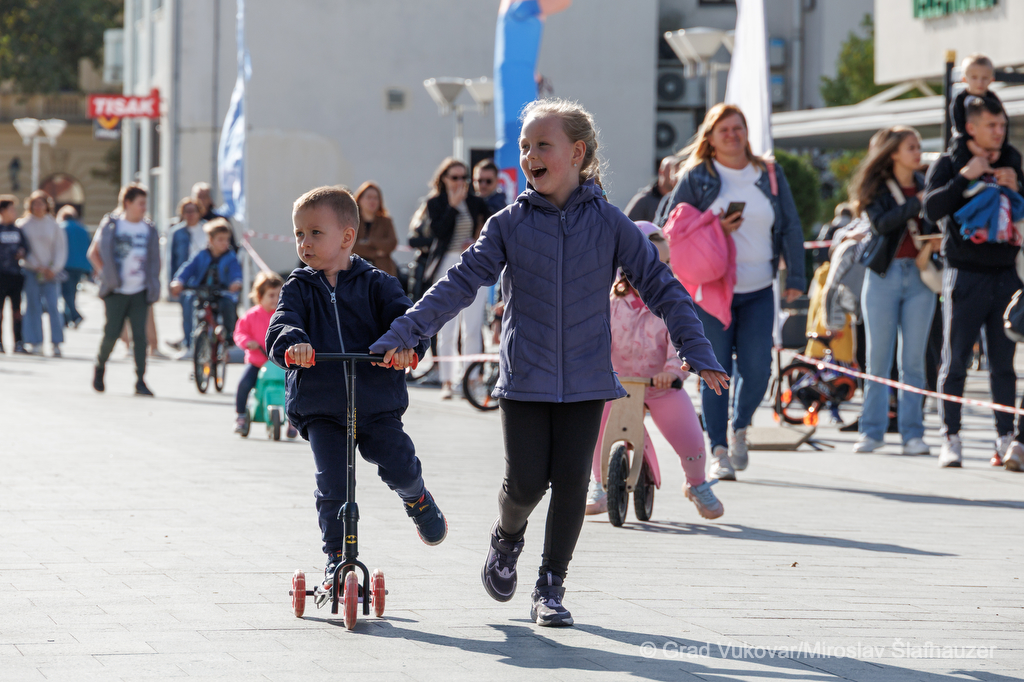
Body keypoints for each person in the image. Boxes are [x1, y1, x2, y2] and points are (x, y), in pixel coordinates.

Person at [371, 98, 728, 627]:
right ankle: (506, 537)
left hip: (588, 379)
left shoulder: (611, 223)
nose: (529, 156)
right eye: (525, 146)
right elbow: (459, 284)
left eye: (542, 145)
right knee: (524, 485)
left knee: (571, 484)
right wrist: (405, 331)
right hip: (526, 378)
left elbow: (662, 286)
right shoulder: (508, 224)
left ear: (577, 153)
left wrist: (696, 350)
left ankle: (551, 585)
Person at [265, 186, 446, 596]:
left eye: (315, 233)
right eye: (298, 234)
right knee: (332, 485)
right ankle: (335, 559)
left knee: (398, 462)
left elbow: (408, 321)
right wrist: (293, 343)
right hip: (321, 404)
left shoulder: (378, 284)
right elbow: (282, 323)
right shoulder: (298, 286)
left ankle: (416, 497)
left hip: (376, 402)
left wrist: (407, 349)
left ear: (347, 237)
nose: (304, 243)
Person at [657, 103, 805, 481]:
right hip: (710, 291)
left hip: (759, 288)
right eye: (724, 129)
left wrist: (796, 278)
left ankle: (740, 427)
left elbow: (790, 225)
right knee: (715, 370)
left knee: (758, 369)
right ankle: (719, 449)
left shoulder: (769, 173)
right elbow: (670, 227)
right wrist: (715, 228)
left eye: (738, 127)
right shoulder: (697, 177)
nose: (732, 135)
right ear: (710, 137)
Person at [585, 221, 724, 520]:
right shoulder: (611, 304)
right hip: (617, 385)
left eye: (664, 266)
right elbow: (596, 341)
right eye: (648, 266)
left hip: (660, 386)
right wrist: (596, 368)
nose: (657, 274)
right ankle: (599, 483)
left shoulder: (671, 303)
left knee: (689, 435)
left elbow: (680, 340)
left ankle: (697, 483)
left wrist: (673, 371)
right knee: (595, 426)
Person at [924, 95, 1024, 469]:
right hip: (964, 273)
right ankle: (950, 437)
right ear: (970, 128)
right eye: (991, 126)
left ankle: (1006, 438)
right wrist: (964, 177)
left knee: (1003, 364)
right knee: (955, 361)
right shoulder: (950, 162)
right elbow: (930, 210)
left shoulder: (1011, 159)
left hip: (1006, 273)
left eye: (1002, 126)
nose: (999, 132)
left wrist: (1018, 185)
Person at [848, 127, 936, 455]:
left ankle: (913, 433)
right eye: (911, 147)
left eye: (918, 146)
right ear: (893, 153)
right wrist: (916, 203)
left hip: (921, 276)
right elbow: (881, 225)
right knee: (878, 359)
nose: (918, 152)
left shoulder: (929, 184)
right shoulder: (877, 187)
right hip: (884, 276)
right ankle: (872, 431)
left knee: (913, 361)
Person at [408, 158, 493, 399]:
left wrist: (475, 241)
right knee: (446, 325)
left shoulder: (476, 203)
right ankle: (447, 380)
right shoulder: (435, 203)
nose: (459, 182)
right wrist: (453, 207)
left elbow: (490, 230)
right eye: (454, 177)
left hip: (473, 262)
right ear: (443, 179)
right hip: (446, 262)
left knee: (473, 326)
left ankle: (470, 380)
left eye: (463, 177)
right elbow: (438, 233)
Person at [88, 183, 160, 396]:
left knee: (140, 337)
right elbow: (93, 253)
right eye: (140, 203)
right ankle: (100, 365)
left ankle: (140, 379)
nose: (144, 207)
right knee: (111, 333)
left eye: (145, 203)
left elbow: (155, 259)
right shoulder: (112, 225)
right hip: (116, 291)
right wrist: (106, 274)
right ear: (127, 203)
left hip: (140, 290)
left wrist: (153, 283)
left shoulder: (148, 229)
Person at [169, 219, 243, 341]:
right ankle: (191, 339)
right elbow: (188, 268)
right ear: (210, 240)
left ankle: (229, 337)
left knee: (228, 306)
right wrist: (179, 281)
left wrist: (236, 282)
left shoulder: (231, 257)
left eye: (227, 239)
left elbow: (235, 272)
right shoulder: (201, 255)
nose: (225, 243)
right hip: (202, 292)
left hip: (222, 292)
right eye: (220, 239)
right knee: (191, 307)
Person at [948, 54, 1020, 175]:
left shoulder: (993, 98)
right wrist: (970, 143)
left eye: (984, 78)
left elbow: (1003, 123)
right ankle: (963, 174)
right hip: (967, 140)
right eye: (974, 78)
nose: (979, 82)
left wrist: (999, 148)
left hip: (992, 142)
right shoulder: (960, 99)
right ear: (964, 79)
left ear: (991, 80)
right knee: (957, 143)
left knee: (1013, 153)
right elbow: (958, 123)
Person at [233, 271, 285, 433]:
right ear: (260, 296)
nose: (276, 299)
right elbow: (240, 333)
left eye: (279, 295)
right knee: (244, 384)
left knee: (293, 387)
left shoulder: (284, 316)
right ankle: (241, 416)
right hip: (257, 362)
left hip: (280, 364)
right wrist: (247, 342)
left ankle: (293, 420)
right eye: (271, 295)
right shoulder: (251, 316)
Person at [18, 190, 66, 356]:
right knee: (33, 306)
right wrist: (34, 265)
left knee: (53, 306)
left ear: (47, 205)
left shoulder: (54, 225)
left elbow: (60, 249)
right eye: (35, 204)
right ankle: (35, 341)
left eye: (41, 203)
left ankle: (56, 343)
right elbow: (22, 249)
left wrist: (54, 268)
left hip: (50, 272)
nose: (38, 207)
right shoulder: (23, 225)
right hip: (31, 270)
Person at [168, 197, 207, 355]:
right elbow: (172, 260)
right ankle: (189, 344)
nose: (190, 214)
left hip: (204, 276)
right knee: (187, 312)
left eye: (193, 211)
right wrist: (172, 281)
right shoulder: (177, 232)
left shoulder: (207, 229)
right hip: (185, 278)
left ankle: (203, 345)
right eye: (186, 211)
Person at [0, 195, 28, 354]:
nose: (14, 212)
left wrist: (22, 252)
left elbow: (26, 248)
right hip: (1, 276)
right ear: (3, 211)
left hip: (15, 276)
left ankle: (18, 342)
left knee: (17, 312)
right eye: (11, 209)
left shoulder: (18, 230)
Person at [352, 181, 398, 276]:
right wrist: (376, 253)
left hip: (382, 271)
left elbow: (392, 243)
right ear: (360, 199)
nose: (372, 201)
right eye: (369, 197)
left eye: (375, 198)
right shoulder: (352, 221)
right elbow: (352, 245)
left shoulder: (386, 221)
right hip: (356, 270)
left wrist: (369, 242)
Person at [56, 205, 91, 329]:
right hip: (80, 265)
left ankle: (75, 315)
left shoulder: (61, 228)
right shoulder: (83, 229)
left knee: (66, 292)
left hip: (66, 264)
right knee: (72, 292)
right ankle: (67, 318)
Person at [626, 155, 679, 223]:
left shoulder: (679, 201)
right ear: (661, 172)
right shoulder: (643, 200)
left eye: (677, 172)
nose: (675, 176)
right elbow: (627, 226)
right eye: (672, 171)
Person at [192, 181, 238, 252]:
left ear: (210, 199)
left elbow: (231, 244)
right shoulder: (189, 219)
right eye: (199, 197)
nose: (201, 200)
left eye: (204, 197)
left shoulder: (220, 219)